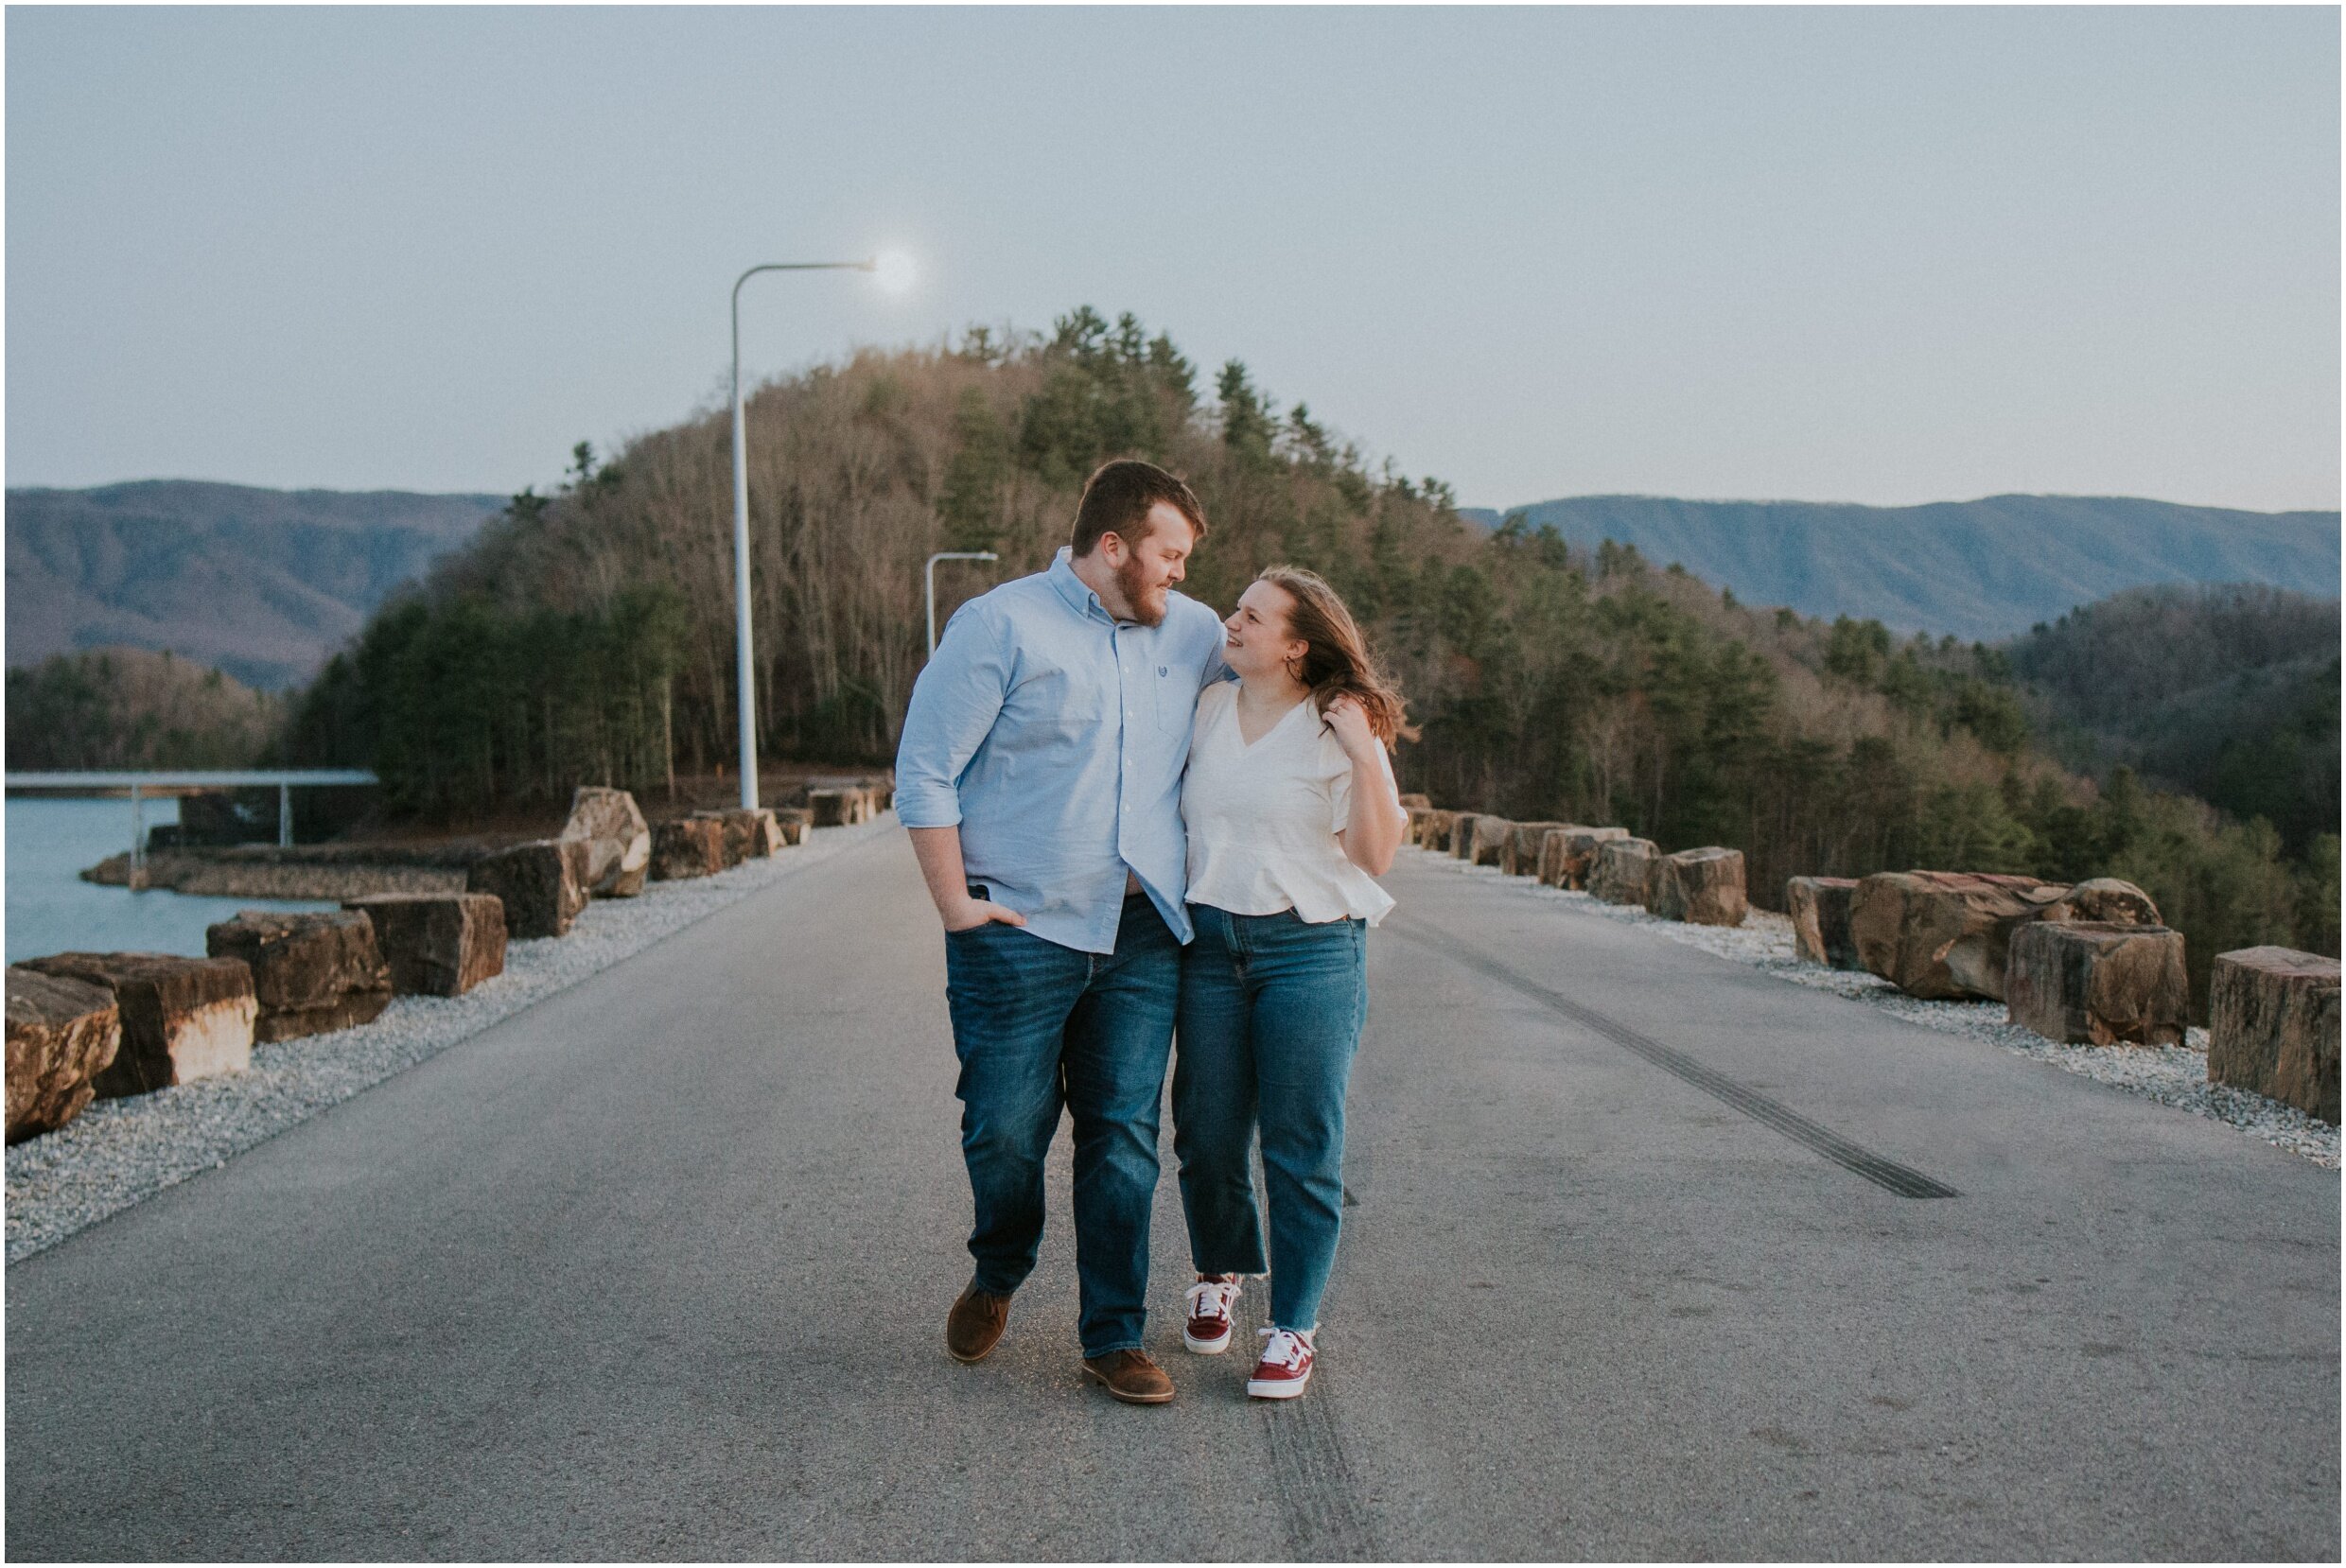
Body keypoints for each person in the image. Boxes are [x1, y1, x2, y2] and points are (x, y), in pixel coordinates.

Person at [894, 458, 1226, 1405]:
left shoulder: (1195, 632)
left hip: (1139, 933)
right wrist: (955, 904)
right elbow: (924, 771)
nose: (1179, 572)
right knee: (1003, 1129)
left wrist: (1358, 722)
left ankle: (1112, 1334)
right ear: (1112, 546)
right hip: (1016, 928)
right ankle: (999, 1265)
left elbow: (1281, 669)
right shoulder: (998, 624)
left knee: (1121, 1135)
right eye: (1168, 552)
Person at [1169, 566, 1412, 1401]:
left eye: (1251, 616)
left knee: (1300, 1144)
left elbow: (1374, 856)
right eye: (1237, 611)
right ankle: (1222, 1269)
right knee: (1205, 1133)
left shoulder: (1338, 723)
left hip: (1309, 951)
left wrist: (1366, 757)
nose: (1229, 624)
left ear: (1296, 646)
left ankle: (1294, 1326)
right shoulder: (1205, 711)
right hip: (1208, 947)